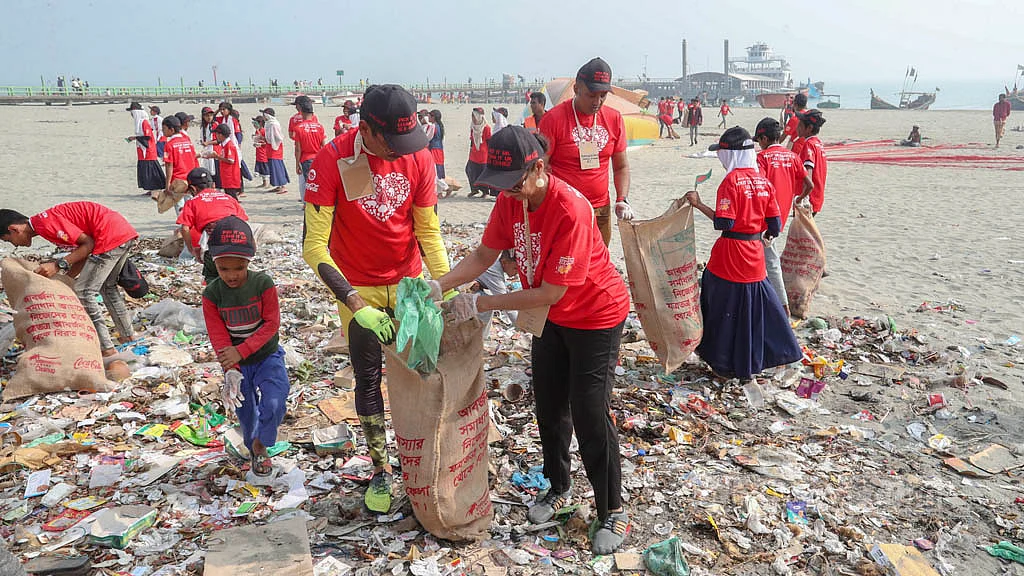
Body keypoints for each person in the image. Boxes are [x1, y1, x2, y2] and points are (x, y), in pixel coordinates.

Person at [433, 126, 632, 555]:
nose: (510, 193)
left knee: (590, 411)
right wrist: (442, 285)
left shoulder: (570, 209)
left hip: (595, 315)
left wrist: (482, 303)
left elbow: (551, 291)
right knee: (549, 404)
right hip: (550, 319)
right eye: (503, 187)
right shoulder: (510, 201)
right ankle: (557, 486)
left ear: (538, 168)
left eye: (516, 183)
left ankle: (612, 508)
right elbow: (485, 255)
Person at [302, 84, 452, 513]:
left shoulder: (418, 157)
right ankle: (380, 469)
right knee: (368, 379)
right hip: (359, 288)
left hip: (409, 286)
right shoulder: (330, 161)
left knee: (422, 372)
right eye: (393, 143)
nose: (401, 152)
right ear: (365, 128)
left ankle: (423, 460)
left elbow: (429, 233)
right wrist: (356, 305)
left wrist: (449, 289)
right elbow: (314, 247)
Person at [683, 127, 802, 380]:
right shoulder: (763, 181)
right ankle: (760, 358)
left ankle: (723, 363)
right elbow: (775, 225)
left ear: (731, 154)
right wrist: (762, 237)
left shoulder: (731, 181)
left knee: (721, 308)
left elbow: (724, 223)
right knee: (752, 309)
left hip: (730, 255)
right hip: (755, 255)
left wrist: (698, 203)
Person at [202, 216, 288, 477]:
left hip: (267, 356)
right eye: (224, 268)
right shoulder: (212, 295)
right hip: (238, 366)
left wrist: (242, 350)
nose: (231, 275)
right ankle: (255, 450)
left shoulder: (262, 284)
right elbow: (219, 337)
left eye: (238, 268)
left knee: (274, 402)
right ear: (215, 264)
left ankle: (263, 442)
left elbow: (272, 324)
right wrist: (231, 368)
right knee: (246, 411)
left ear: (249, 262)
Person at [0, 202, 139, 359]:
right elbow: (83, 251)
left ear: (14, 229)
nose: (14, 245)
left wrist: (58, 265)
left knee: (84, 292)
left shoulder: (44, 224)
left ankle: (106, 348)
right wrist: (67, 279)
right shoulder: (43, 223)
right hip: (121, 232)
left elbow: (89, 244)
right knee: (107, 288)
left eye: (8, 240)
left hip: (108, 236)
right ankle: (128, 336)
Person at [539, 57, 632, 246]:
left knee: (598, 262)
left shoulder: (614, 119)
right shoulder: (554, 119)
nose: (597, 101)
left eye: (603, 95)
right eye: (591, 95)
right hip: (564, 208)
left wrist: (622, 199)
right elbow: (541, 167)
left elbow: (621, 166)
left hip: (600, 209)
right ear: (576, 88)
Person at [754, 118, 811, 315]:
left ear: (763, 138)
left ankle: (782, 307)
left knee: (769, 261)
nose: (759, 144)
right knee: (765, 257)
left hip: (764, 215)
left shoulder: (762, 158)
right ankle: (770, 299)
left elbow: (760, 184)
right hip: (782, 215)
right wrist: (798, 199)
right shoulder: (793, 156)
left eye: (759, 140)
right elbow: (809, 184)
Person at [177, 167, 249, 283]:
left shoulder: (192, 202)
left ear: (193, 188)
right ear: (214, 185)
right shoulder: (229, 198)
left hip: (217, 245)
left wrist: (192, 249)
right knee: (239, 277)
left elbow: (185, 228)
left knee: (212, 277)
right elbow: (243, 223)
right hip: (240, 243)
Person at [126, 102, 166, 194]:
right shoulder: (139, 123)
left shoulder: (144, 122)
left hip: (148, 151)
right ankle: (150, 189)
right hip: (142, 151)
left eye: (132, 112)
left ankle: (155, 189)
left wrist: (135, 138)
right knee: (145, 170)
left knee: (151, 170)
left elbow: (148, 137)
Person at [794, 110, 828, 215]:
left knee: (800, 230)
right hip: (817, 197)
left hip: (808, 199)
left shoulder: (808, 144)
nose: (797, 128)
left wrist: (802, 198)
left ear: (809, 128)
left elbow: (808, 173)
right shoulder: (818, 143)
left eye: (800, 125)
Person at [292, 98, 326, 201]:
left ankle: (309, 203)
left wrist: (297, 164)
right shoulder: (320, 127)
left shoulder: (299, 128)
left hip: (306, 159)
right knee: (318, 182)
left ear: (301, 112)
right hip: (318, 158)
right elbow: (323, 146)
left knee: (309, 183)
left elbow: (298, 149)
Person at [203, 124, 243, 199]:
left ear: (221, 135)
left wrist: (217, 157)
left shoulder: (229, 145)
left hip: (230, 176)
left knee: (232, 197)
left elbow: (231, 160)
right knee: (229, 196)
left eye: (217, 134)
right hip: (226, 176)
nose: (216, 136)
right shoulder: (224, 145)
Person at [161, 115, 198, 195]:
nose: (162, 131)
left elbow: (169, 166)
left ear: (172, 130)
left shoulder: (169, 145)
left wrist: (167, 185)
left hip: (177, 180)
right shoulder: (188, 141)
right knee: (188, 204)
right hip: (190, 179)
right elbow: (194, 158)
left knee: (179, 205)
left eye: (164, 128)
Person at [466, 107, 492, 198]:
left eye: (474, 116)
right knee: (470, 171)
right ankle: (474, 189)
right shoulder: (473, 126)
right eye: (472, 116)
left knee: (482, 173)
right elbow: (472, 140)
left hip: (483, 154)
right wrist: (470, 149)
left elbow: (489, 141)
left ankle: (485, 192)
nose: (472, 118)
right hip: (473, 153)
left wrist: (489, 154)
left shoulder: (486, 128)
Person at [428, 110, 448, 195]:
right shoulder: (440, 126)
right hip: (439, 149)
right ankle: (439, 192)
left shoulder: (433, 126)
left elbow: (428, 137)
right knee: (439, 169)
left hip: (434, 149)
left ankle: (446, 187)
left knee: (434, 171)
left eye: (430, 116)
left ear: (433, 117)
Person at [198, 107, 219, 182]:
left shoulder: (214, 125)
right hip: (207, 150)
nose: (209, 117)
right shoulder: (203, 126)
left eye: (210, 115)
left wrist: (208, 143)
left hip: (214, 151)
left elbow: (218, 140)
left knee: (215, 172)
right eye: (207, 115)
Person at [252, 116, 270, 187]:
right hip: (258, 153)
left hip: (263, 153)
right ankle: (264, 182)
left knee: (264, 168)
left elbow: (267, 142)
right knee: (260, 168)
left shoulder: (263, 131)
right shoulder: (258, 131)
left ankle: (266, 183)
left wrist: (260, 144)